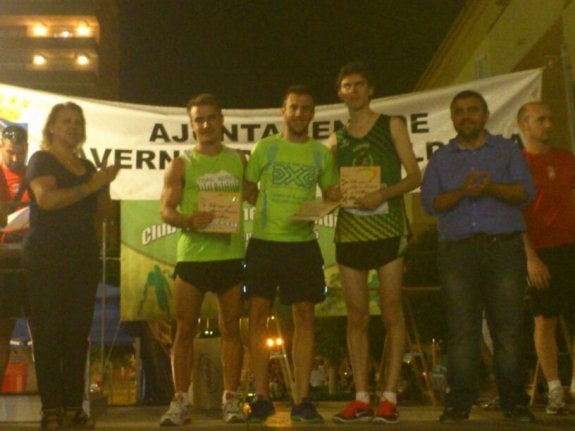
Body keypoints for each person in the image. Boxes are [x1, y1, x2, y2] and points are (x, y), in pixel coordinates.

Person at [420, 90, 535, 423]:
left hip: (503, 249)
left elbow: (526, 192)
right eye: (459, 111)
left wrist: (491, 188)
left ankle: (514, 402)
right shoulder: (441, 159)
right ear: (452, 119)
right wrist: (463, 192)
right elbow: (431, 203)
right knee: (461, 331)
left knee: (508, 330)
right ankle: (458, 403)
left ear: (485, 116)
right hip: (458, 253)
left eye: (472, 110)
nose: (466, 116)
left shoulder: (507, 150)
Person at [328, 62, 421, 424]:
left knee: (392, 312)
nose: (353, 90)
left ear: (371, 90)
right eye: (347, 86)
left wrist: (382, 193)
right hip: (351, 233)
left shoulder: (391, 124)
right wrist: (332, 192)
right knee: (356, 316)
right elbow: (328, 185)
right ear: (340, 93)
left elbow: (414, 176)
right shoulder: (336, 138)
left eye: (359, 84)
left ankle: (389, 396)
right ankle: (361, 397)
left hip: (388, 230)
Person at [244, 85, 339, 424]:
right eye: (293, 107)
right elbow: (248, 187)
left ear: (312, 113)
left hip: (302, 244)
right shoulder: (265, 147)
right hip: (264, 242)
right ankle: (262, 397)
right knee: (257, 316)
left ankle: (302, 400)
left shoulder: (321, 153)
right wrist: (266, 208)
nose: (299, 113)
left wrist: (326, 203)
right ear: (282, 111)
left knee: (305, 316)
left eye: (305, 108)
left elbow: (331, 194)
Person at [23, 102, 119, 430]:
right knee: (49, 333)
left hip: (83, 258)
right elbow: (46, 200)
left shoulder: (88, 166)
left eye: (78, 122)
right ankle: (51, 408)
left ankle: (74, 406)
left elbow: (105, 215)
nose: (73, 127)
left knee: (78, 334)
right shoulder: (42, 159)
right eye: (66, 121)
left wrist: (104, 184)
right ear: (51, 126)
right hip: (46, 259)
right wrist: (90, 185)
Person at [158, 93, 250, 426]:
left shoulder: (240, 159)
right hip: (193, 258)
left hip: (230, 255)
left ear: (221, 120)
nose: (206, 124)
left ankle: (231, 399)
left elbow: (258, 195)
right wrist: (188, 220)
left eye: (212, 117)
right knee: (184, 330)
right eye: (199, 119)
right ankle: (180, 401)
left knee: (231, 330)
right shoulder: (181, 163)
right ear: (192, 124)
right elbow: (165, 210)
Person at [518, 101, 575, 414]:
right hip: (540, 250)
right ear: (524, 125)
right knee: (545, 319)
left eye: (550, 118)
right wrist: (530, 257)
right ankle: (554, 389)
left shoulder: (566, 158)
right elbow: (514, 215)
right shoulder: (518, 164)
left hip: (571, 245)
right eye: (541, 119)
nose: (549, 124)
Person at [0, 125, 30, 391]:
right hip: (3, 263)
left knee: (44, 330)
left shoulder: (35, 175)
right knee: (3, 331)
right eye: (10, 152)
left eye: (20, 153)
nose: (15, 158)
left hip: (31, 260)